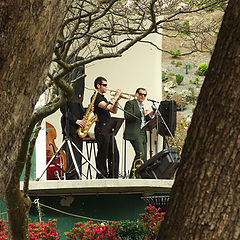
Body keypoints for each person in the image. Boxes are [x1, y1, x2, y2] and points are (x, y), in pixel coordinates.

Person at [93, 76, 122, 179]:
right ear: (98, 86)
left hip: (108, 128)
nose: (106, 87)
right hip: (101, 128)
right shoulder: (96, 97)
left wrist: (117, 100)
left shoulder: (103, 97)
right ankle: (101, 176)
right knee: (103, 153)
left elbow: (114, 111)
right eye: (104, 85)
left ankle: (113, 175)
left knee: (114, 153)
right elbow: (108, 107)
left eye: (106, 85)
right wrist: (115, 96)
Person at [123, 88, 155, 178]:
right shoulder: (130, 103)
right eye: (141, 94)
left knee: (144, 156)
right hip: (134, 132)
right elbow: (128, 116)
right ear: (136, 94)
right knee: (140, 154)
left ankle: (137, 175)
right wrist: (141, 112)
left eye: (145, 95)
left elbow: (142, 120)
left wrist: (150, 115)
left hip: (142, 132)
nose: (143, 96)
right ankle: (134, 175)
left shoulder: (142, 105)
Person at [60, 93, 86, 180]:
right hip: (70, 128)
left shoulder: (77, 98)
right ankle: (71, 176)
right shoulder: (64, 96)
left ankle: (77, 174)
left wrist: (86, 110)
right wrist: (76, 120)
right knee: (72, 153)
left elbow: (79, 111)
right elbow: (64, 112)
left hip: (78, 128)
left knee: (78, 153)